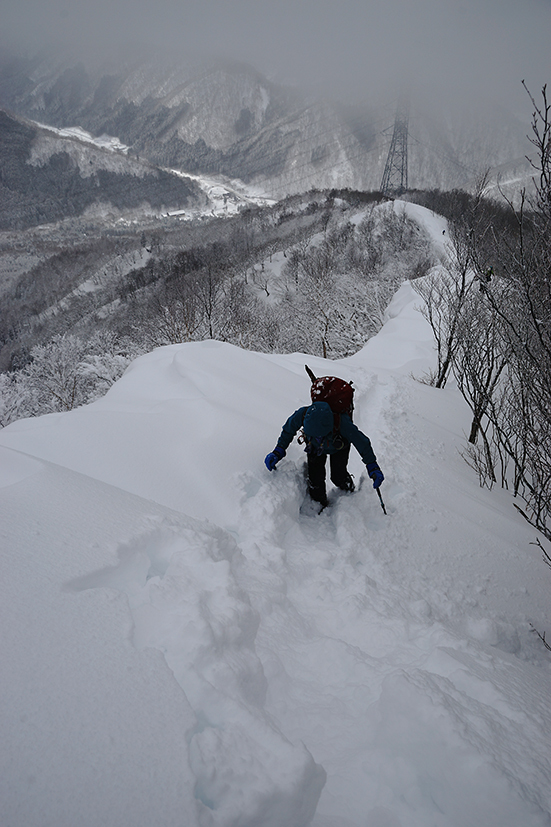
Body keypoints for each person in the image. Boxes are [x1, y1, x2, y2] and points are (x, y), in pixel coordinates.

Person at [264, 399, 384, 509]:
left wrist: (372, 465)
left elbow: (362, 443)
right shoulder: (303, 414)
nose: (317, 437)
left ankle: (348, 491)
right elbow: (288, 430)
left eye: (319, 435)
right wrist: (278, 450)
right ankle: (319, 504)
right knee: (315, 480)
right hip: (314, 447)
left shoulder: (342, 423)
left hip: (339, 447)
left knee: (338, 476)